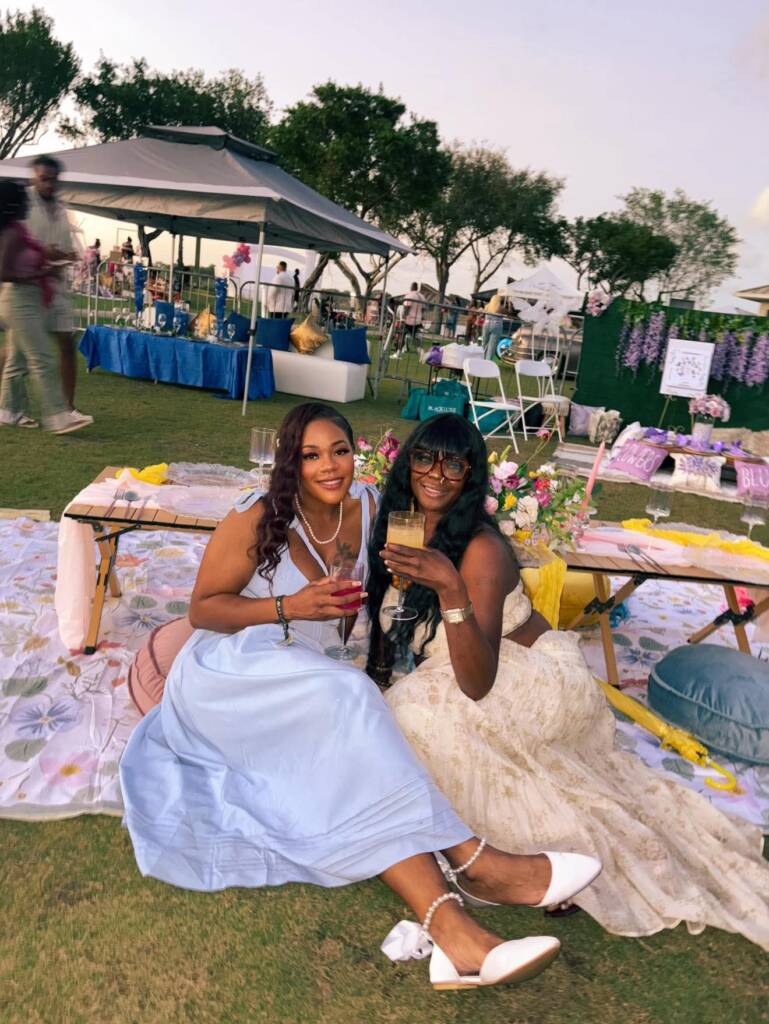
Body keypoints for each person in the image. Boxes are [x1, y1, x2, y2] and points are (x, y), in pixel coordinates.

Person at [119, 402, 601, 992]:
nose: (329, 466)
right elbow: (202, 610)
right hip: (234, 672)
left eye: (340, 451)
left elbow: (423, 567)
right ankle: (476, 861)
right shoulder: (254, 516)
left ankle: (457, 938)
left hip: (311, 675)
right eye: (311, 455)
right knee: (350, 697)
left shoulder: (376, 509)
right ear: (290, 462)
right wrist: (289, 606)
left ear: (357, 455)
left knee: (359, 753)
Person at [367, 413, 769, 953]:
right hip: (465, 670)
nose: (436, 473)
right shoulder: (400, 527)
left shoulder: (480, 550)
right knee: (389, 712)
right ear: (407, 464)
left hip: (527, 673)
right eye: (424, 458)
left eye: (453, 463)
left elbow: (477, 681)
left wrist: (449, 588)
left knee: (414, 714)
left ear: (470, 476)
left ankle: (525, 859)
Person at [0, 181, 92, 434]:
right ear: (13, 204)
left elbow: (30, 257)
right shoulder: (12, 233)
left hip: (29, 298)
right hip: (20, 301)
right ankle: (57, 416)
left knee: (17, 360)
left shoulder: (18, 229)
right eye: (23, 200)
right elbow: (4, 272)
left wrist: (52, 257)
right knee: (42, 359)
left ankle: (8, 411)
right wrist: (41, 273)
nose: (28, 204)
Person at [26, 154, 87, 415]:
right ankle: (13, 405)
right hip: (29, 287)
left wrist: (67, 255)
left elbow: (64, 247)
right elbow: (15, 244)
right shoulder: (23, 205)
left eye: (53, 180)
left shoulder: (61, 209)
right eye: (43, 179)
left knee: (67, 344)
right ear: (34, 178)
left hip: (57, 287)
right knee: (22, 354)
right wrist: (43, 253)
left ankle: (68, 408)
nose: (48, 184)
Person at [481, 291, 506, 359]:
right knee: (492, 346)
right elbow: (509, 312)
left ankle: (481, 358)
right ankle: (488, 361)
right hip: (496, 326)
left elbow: (482, 314)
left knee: (484, 344)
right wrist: (509, 305)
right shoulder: (500, 308)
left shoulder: (487, 306)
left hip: (486, 324)